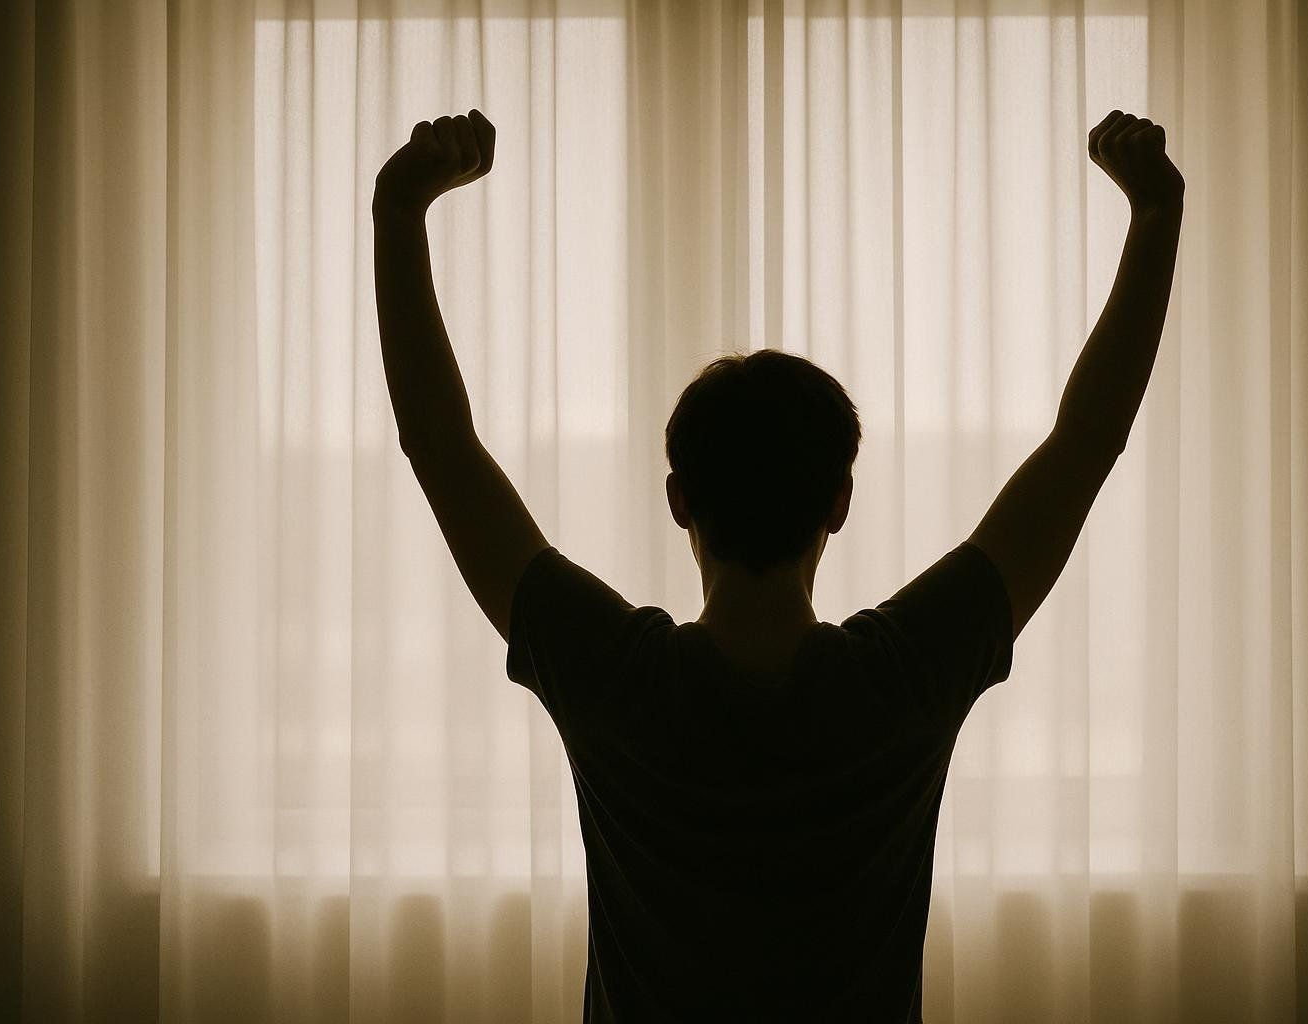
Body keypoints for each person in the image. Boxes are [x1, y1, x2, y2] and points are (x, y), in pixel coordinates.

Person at [372, 107, 1183, 1023]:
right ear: (840, 502)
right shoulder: (904, 678)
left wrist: (400, 210)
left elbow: (438, 445)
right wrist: (1154, 219)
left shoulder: (615, 678)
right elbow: (1084, 446)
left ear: (679, 501)